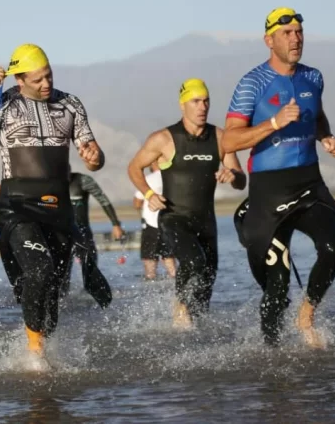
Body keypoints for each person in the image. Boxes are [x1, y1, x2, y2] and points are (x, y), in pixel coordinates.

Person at [221, 7, 335, 348]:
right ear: (268, 40)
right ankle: (270, 352)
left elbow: (316, 115)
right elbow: (229, 140)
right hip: (269, 191)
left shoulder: (313, 78)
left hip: (309, 183)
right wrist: (273, 124)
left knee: (333, 248)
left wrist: (326, 137)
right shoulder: (252, 83)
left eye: (299, 32)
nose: (296, 38)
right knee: (277, 285)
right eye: (287, 33)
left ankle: (306, 316)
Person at [0, 43, 106, 357]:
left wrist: (94, 158)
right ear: (19, 80)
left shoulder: (70, 104)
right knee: (39, 269)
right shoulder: (4, 102)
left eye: (48, 75)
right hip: (17, 206)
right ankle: (34, 354)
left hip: (59, 211)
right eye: (37, 79)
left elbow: (92, 154)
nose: (46, 83)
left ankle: (44, 352)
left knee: (52, 293)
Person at [127, 78, 246, 329]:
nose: (202, 106)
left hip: (206, 222)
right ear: (183, 105)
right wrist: (148, 194)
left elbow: (241, 180)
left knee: (206, 286)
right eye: (196, 101)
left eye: (206, 101)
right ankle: (179, 307)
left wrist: (232, 175)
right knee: (194, 262)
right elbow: (134, 168)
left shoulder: (221, 137)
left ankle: (197, 338)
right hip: (174, 217)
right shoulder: (164, 139)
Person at [62, 166, 125, 307]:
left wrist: (116, 224)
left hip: (82, 233)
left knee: (90, 268)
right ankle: (62, 303)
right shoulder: (51, 183)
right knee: (62, 275)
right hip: (61, 235)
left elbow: (103, 200)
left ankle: (96, 303)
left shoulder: (83, 180)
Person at [132, 163, 176, 280]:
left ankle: (150, 289)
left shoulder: (148, 179)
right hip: (170, 224)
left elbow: (137, 203)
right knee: (171, 263)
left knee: (150, 265)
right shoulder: (173, 177)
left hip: (151, 225)